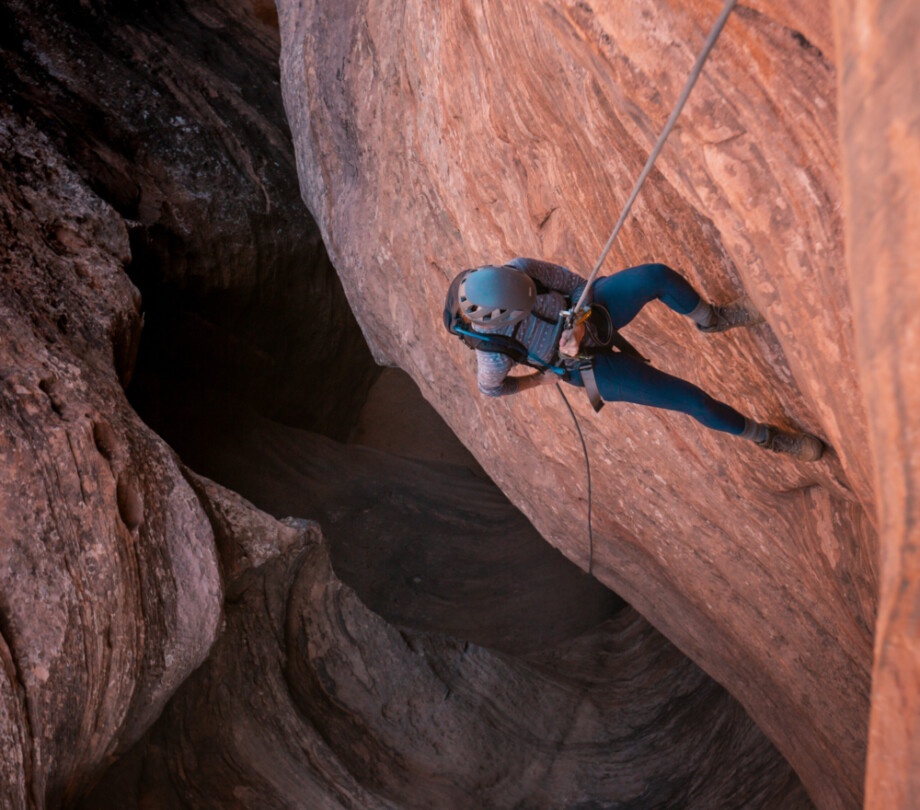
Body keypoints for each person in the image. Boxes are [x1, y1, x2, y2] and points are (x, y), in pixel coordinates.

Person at [450, 257, 824, 461]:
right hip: (584, 368)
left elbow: (577, 284)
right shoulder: (493, 354)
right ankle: (768, 438)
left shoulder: (519, 271)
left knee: (655, 275)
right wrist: (541, 379)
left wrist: (579, 323)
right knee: (694, 402)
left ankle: (712, 320)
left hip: (589, 316)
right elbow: (491, 390)